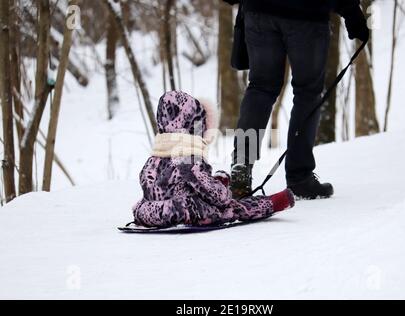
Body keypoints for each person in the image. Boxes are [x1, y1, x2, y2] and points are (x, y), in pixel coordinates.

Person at [224, 0, 370, 199]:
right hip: (306, 15)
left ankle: (241, 165)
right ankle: (300, 178)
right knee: (307, 93)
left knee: (260, 88)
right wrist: (352, 12)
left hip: (259, 12)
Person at [132, 91, 295, 228]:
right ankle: (271, 203)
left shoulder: (153, 160)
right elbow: (219, 198)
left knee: (207, 188)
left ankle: (217, 182)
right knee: (232, 208)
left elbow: (159, 186)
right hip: (185, 212)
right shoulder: (188, 161)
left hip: (148, 213)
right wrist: (223, 191)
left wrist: (212, 181)